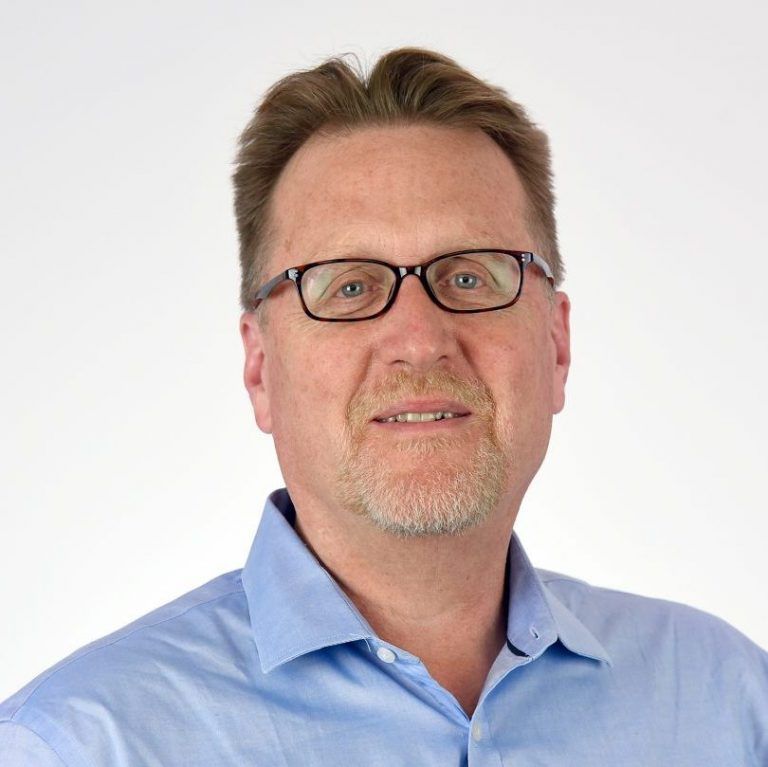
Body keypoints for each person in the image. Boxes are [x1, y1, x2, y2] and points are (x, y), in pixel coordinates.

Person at [1, 47, 766, 766]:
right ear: (260, 367)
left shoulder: (729, 704)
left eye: (471, 277)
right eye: (349, 286)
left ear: (557, 346)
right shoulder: (75, 745)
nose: (419, 339)